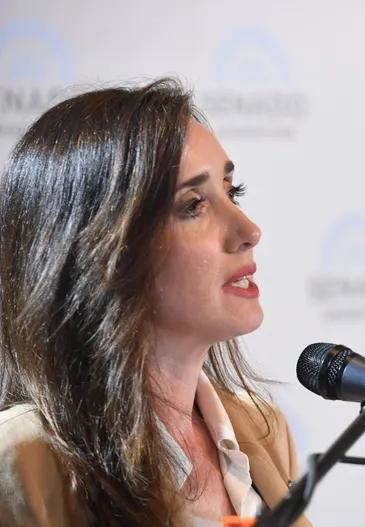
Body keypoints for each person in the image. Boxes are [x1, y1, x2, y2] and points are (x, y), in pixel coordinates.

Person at [0, 78, 312, 526]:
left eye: (232, 191)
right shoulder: (21, 460)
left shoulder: (263, 428)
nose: (249, 230)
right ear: (102, 251)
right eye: (193, 205)